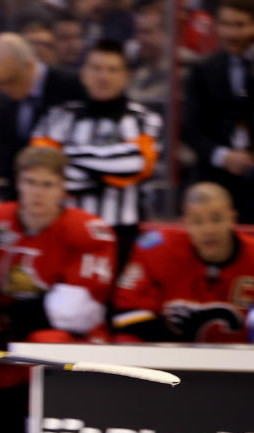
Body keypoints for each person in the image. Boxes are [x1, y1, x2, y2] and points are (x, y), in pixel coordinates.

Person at [0, 146, 116, 433]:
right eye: (30, 182)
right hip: (8, 337)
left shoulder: (89, 230)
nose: (38, 192)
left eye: (47, 184)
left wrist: (3, 322)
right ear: (18, 183)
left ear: (62, 189)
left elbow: (78, 312)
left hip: (72, 340)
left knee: (44, 347)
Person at [31, 38, 163, 268]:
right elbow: (41, 167)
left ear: (126, 76)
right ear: (83, 74)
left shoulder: (144, 119)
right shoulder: (57, 116)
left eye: (112, 69)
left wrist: (66, 158)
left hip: (120, 234)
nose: (104, 76)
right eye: (96, 68)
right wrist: (105, 173)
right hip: (62, 231)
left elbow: (138, 164)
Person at [113, 182, 254, 343]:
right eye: (197, 221)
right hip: (168, 359)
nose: (208, 230)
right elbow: (126, 314)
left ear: (232, 218)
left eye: (216, 219)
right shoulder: (155, 249)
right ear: (184, 223)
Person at [0, 33, 84, 202]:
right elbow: (0, 158)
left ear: (29, 66)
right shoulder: (2, 101)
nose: (5, 89)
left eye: (11, 81)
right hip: (21, 200)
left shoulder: (71, 87)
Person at [183, 0, 254, 222]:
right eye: (226, 24)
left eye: (240, 25)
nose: (232, 33)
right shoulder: (202, 70)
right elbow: (190, 129)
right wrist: (223, 157)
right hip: (213, 178)